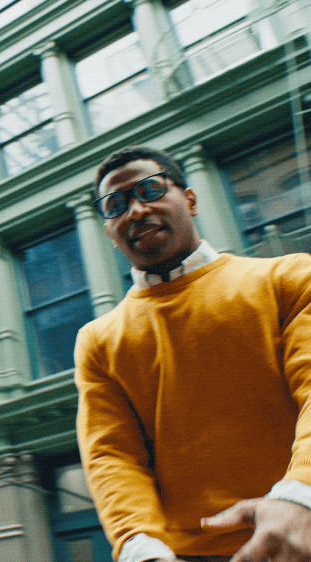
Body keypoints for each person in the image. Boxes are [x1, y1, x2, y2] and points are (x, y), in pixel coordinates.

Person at [74, 145, 311, 562]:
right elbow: (112, 454)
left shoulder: (289, 278)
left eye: (149, 189)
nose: (136, 210)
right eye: (115, 205)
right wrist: (139, 545)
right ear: (110, 232)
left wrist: (301, 494)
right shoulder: (98, 340)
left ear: (190, 199)